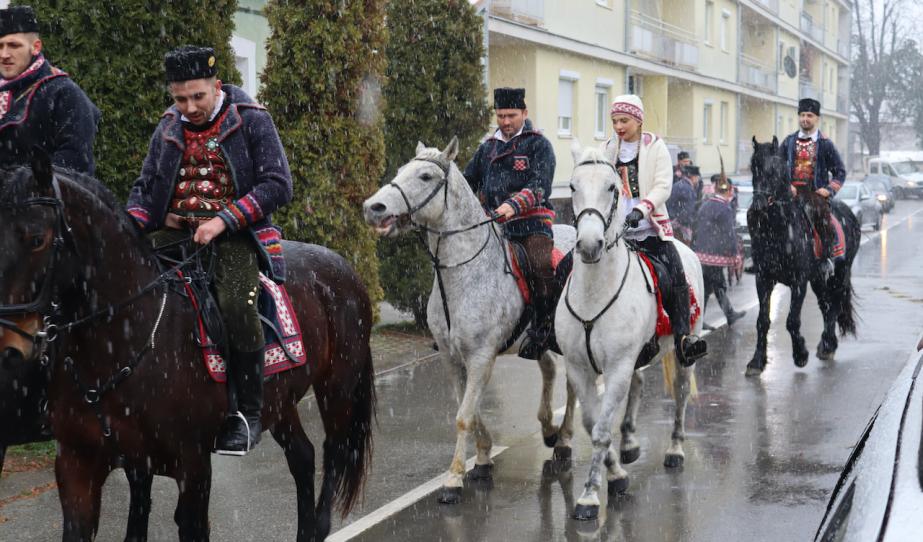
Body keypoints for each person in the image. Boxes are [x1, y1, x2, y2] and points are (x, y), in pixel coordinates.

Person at [126, 45, 293, 455]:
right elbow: (146, 190)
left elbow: (277, 184)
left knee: (236, 304)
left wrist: (223, 220)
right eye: (180, 98)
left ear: (217, 86)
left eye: (198, 96)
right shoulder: (167, 126)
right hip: (176, 236)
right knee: (130, 290)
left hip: (236, 235)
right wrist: (132, 222)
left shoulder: (252, 119)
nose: (190, 107)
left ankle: (247, 414)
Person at [606, 95, 706, 367]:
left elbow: (664, 185)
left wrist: (643, 208)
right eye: (614, 121)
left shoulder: (655, 146)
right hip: (616, 235)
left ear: (638, 120)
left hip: (650, 231)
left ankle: (684, 339)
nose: (618, 126)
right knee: (573, 264)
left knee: (676, 276)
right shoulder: (607, 148)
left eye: (624, 120)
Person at [463, 87, 557, 360]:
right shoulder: (487, 148)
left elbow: (541, 186)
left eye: (511, 115)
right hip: (494, 226)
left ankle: (543, 330)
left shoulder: (539, 144)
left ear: (524, 113)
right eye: (501, 115)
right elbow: (468, 183)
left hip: (532, 224)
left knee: (541, 265)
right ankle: (457, 329)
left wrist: (512, 206)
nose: (505, 122)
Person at [0, 5, 100, 173]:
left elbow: (76, 160)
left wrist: (24, 183)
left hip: (40, 196)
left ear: (36, 47)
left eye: (14, 45)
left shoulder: (63, 92)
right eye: (0, 46)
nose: (4, 54)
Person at [779, 97, 846, 277]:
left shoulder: (825, 144)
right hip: (790, 194)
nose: (805, 119)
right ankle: (764, 257)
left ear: (817, 118)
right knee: (769, 215)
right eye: (802, 115)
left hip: (815, 195)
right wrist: (787, 186)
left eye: (809, 115)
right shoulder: (789, 142)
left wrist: (829, 190)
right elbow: (777, 168)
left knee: (823, 221)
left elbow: (840, 172)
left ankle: (825, 259)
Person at [693, 175, 746, 330]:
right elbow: (728, 233)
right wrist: (735, 254)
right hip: (715, 254)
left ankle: (718, 316)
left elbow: (698, 226)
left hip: (702, 252)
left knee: (709, 286)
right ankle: (722, 316)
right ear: (728, 191)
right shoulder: (724, 208)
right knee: (716, 285)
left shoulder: (705, 204)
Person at [666, 165, 699, 245]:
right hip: (680, 228)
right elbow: (687, 211)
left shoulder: (678, 185)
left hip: (670, 223)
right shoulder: (688, 189)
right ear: (692, 177)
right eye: (697, 177)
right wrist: (685, 223)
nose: (698, 180)